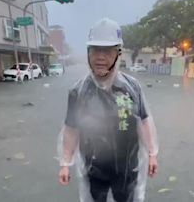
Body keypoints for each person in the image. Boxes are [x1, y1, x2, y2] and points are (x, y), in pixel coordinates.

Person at [57, 18, 158, 202]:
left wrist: (152, 154)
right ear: (88, 53)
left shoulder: (132, 87)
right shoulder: (79, 91)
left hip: (127, 168)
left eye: (107, 51)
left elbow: (144, 120)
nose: (100, 57)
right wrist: (65, 163)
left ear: (118, 53)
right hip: (94, 169)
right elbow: (71, 129)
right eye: (95, 50)